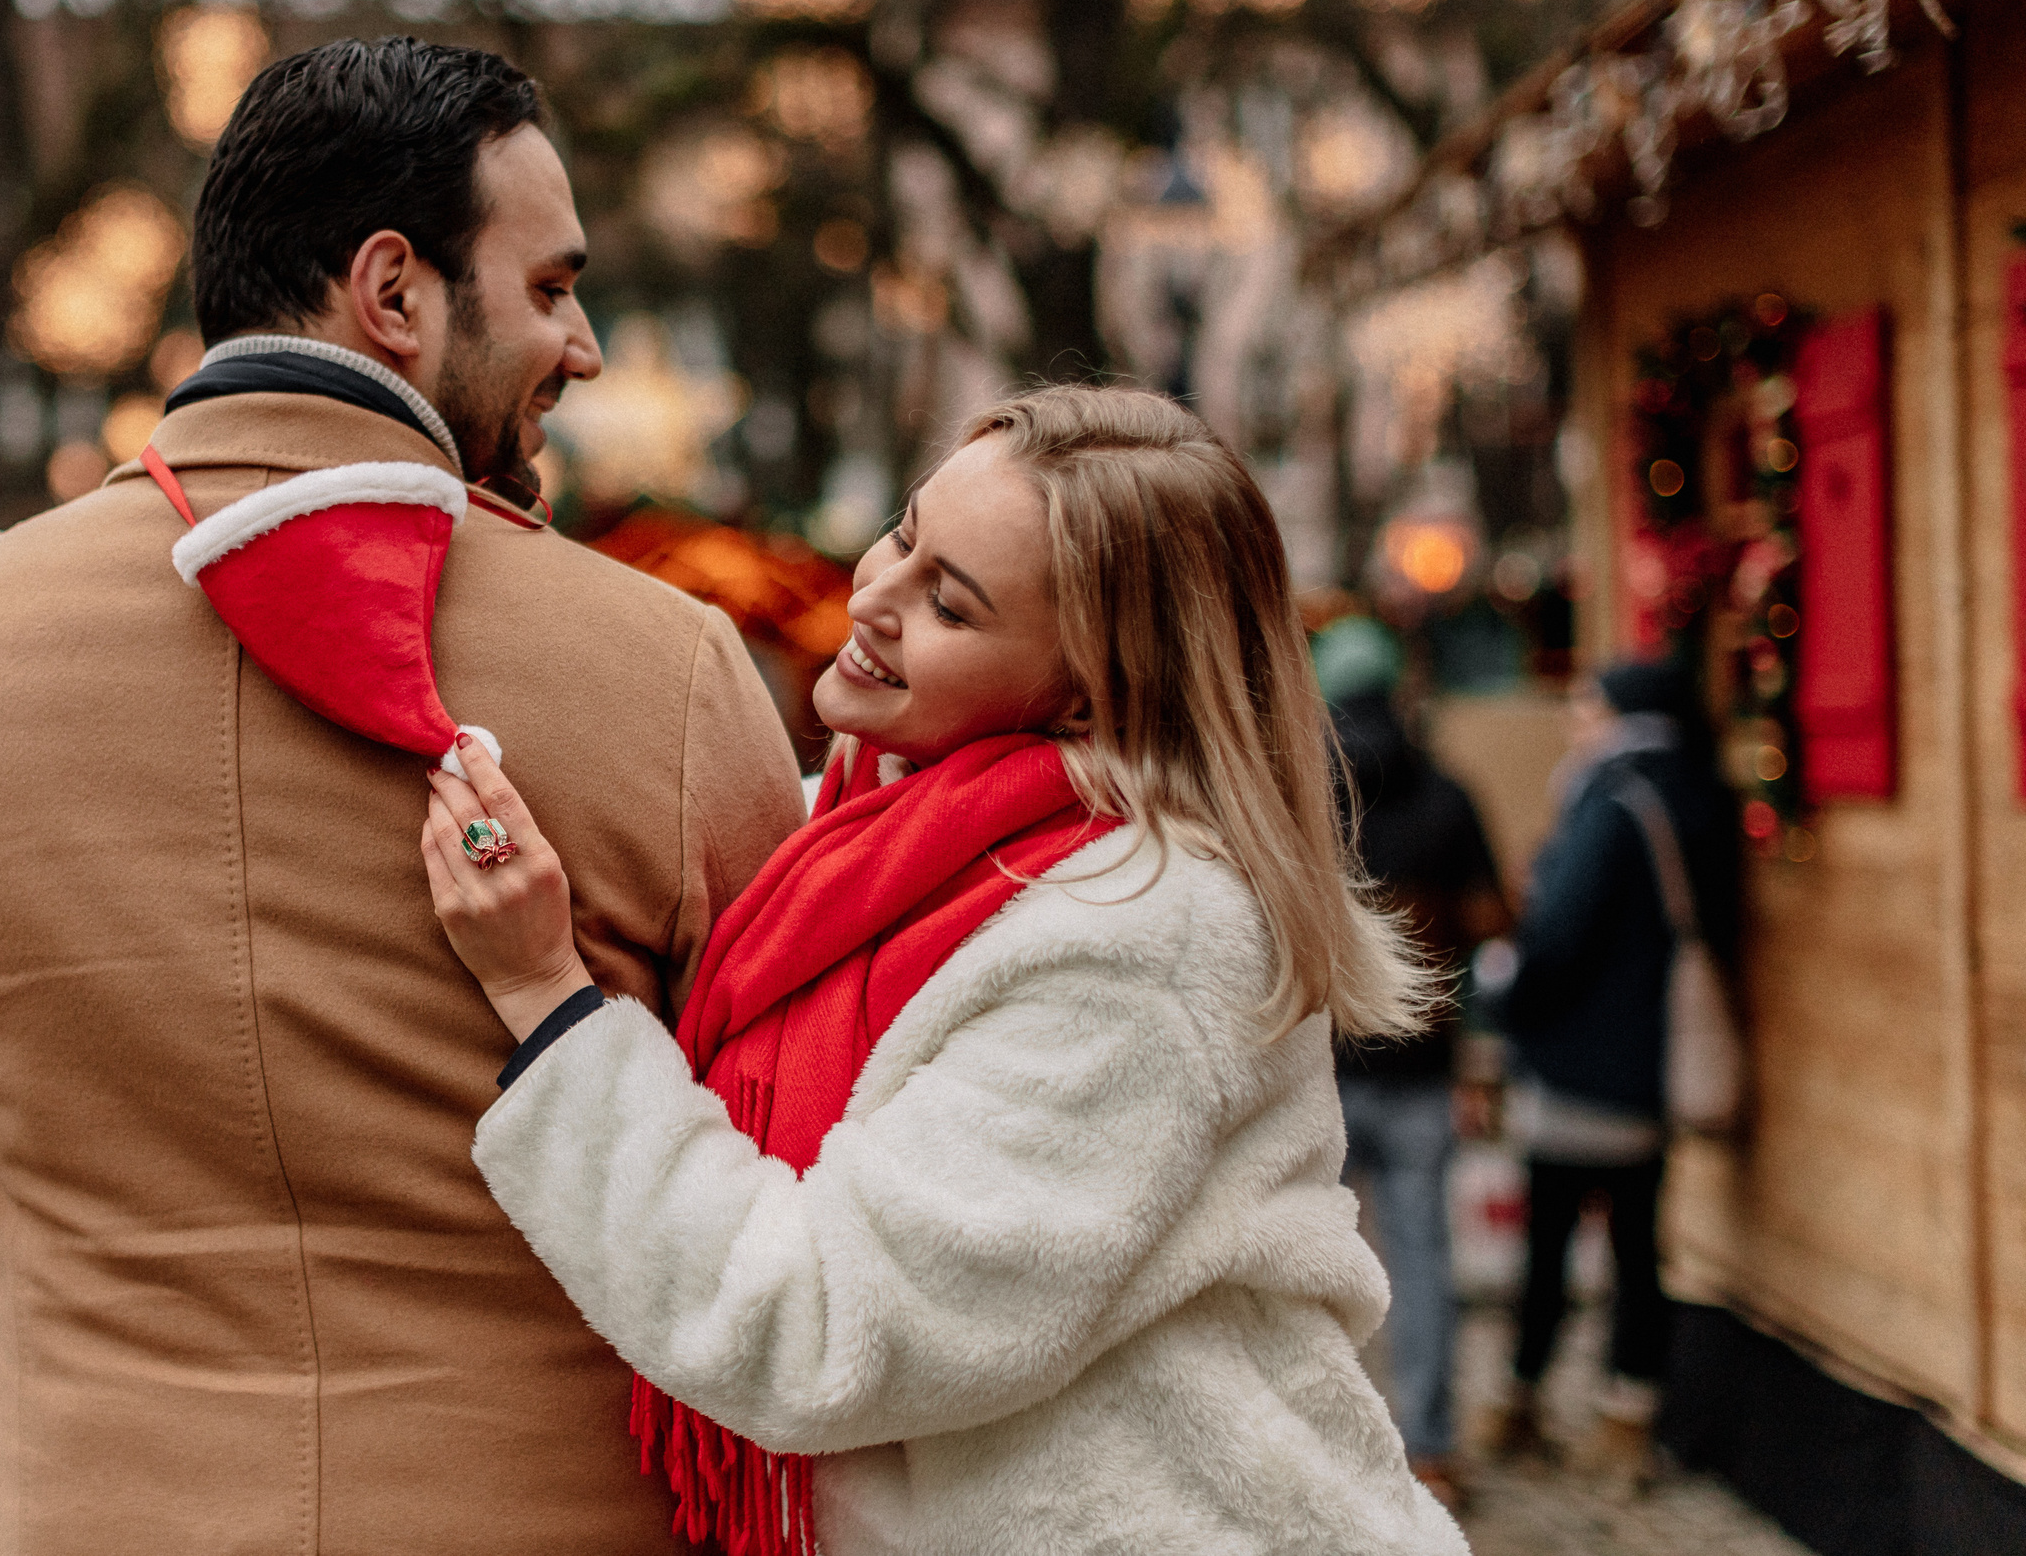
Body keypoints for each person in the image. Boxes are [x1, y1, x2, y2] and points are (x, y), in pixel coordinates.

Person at [0, 36, 805, 1555]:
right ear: (391, 292)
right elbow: (780, 1146)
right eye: (550, 286)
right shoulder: (671, 667)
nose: (579, 344)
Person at [421, 387, 1470, 1556]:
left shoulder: (1141, 932)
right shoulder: (873, 838)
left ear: (1090, 689)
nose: (871, 597)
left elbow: (817, 1330)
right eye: (906, 535)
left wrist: (543, 1001)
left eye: (949, 605)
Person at [1478, 658, 1739, 1489]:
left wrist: (1499, 987)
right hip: (1652, 1061)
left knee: (1550, 1239)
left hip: (1579, 1062)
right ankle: (1631, 1412)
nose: (1573, 719)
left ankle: (1521, 1397)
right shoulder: (1700, 787)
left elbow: (1559, 938)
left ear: (1623, 713)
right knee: (1638, 1245)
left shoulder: (1611, 796)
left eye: (1587, 705)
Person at [1312, 614, 1508, 1512]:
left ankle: (1312, 1448)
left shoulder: (1304, 796)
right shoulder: (1449, 796)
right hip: (1423, 1070)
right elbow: (1491, 916)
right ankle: (1431, 1446)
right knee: (1425, 1260)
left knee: (1305, 1267)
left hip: (1320, 1077)